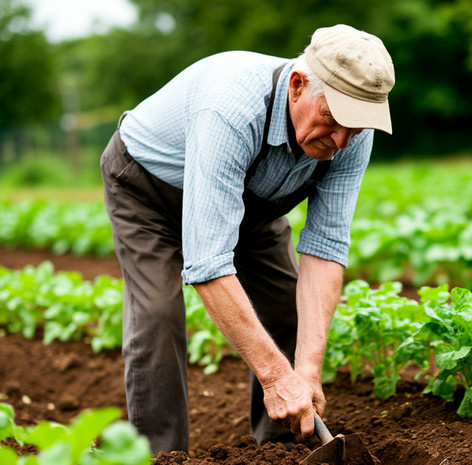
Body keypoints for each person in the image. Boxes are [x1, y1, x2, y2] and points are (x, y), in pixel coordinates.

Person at [100, 24, 395, 454]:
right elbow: (208, 263)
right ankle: (161, 457)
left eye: (356, 128)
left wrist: (306, 373)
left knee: (284, 308)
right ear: (297, 86)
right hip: (149, 191)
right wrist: (276, 377)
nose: (341, 140)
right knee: (159, 318)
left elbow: (325, 252)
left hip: (252, 201)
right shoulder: (231, 110)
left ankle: (281, 449)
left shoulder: (350, 137)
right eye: (332, 120)